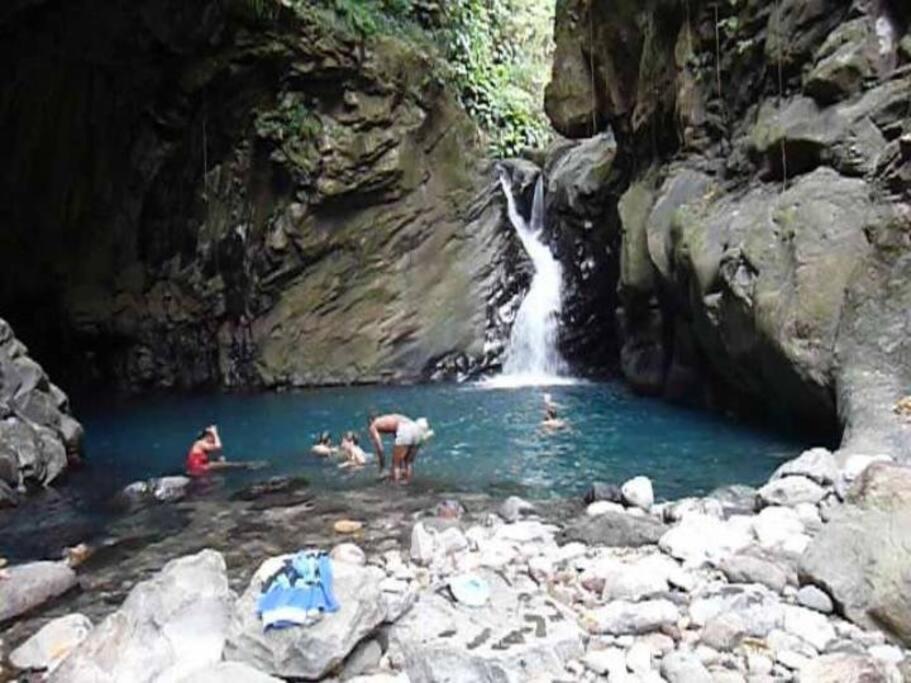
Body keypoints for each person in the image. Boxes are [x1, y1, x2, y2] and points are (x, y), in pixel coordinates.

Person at [367, 413, 434, 482]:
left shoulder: (374, 425)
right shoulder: (390, 418)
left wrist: (382, 467)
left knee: (396, 464)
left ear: (371, 421)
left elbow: (380, 447)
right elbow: (399, 437)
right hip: (417, 429)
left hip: (405, 429)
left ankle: (397, 488)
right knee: (408, 462)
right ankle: (407, 482)